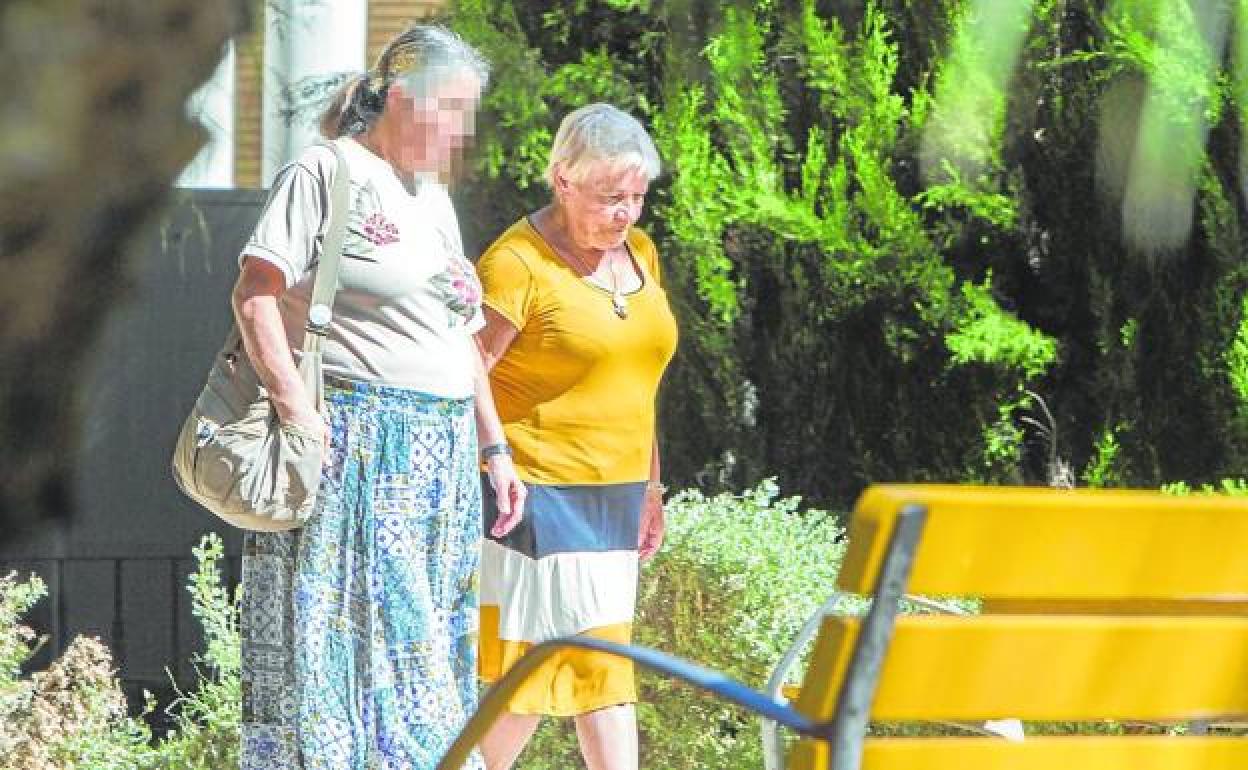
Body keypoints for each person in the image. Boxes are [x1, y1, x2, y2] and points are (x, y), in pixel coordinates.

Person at [233, 25, 524, 770]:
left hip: (442, 459)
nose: (460, 130)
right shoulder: (327, 172)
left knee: (425, 651)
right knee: (345, 653)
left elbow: (460, 334)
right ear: (400, 97)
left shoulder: (434, 198)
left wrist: (494, 447)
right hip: (358, 451)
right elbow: (256, 295)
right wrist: (300, 415)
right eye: (450, 110)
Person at [474, 103, 678, 770]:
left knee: (597, 669)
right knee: (539, 674)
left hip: (614, 499)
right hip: (538, 496)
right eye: (610, 196)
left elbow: (637, 379)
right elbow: (465, 368)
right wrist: (493, 456)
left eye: (638, 197)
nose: (627, 214)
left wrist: (652, 486)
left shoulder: (640, 255)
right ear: (563, 179)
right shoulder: (516, 263)